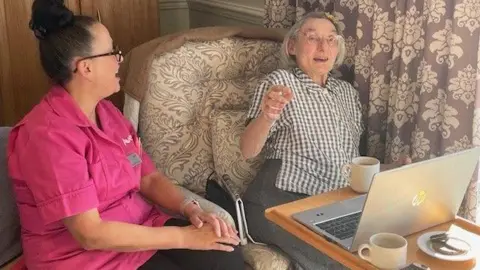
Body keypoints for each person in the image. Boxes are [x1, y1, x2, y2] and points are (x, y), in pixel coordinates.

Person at [7, 1, 243, 269]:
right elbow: (90, 234)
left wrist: (190, 208)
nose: (119, 59)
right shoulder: (47, 136)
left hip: (139, 230)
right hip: (84, 258)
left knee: (226, 254)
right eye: (112, 52)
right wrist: (183, 236)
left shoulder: (108, 113)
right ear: (86, 68)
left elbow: (149, 179)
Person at [240, 12, 410, 270]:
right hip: (279, 201)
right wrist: (267, 115)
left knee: (396, 244)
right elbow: (247, 150)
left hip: (333, 204)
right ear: (292, 46)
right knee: (343, 261)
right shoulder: (280, 82)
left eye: (331, 40)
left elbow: (348, 163)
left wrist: (392, 170)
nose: (323, 47)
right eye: (312, 38)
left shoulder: (346, 93)